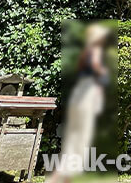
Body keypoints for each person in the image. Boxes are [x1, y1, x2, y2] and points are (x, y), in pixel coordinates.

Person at [48, 23, 111, 183]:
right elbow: (100, 74)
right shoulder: (94, 52)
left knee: (75, 138)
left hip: (80, 97)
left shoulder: (85, 54)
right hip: (87, 97)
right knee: (81, 138)